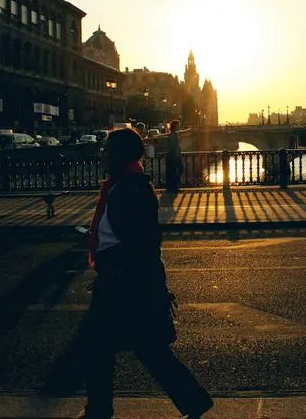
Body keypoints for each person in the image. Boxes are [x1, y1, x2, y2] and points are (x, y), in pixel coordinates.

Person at [81, 129, 213, 419]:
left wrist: (117, 268)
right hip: (126, 282)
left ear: (117, 155)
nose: (101, 155)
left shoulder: (128, 190)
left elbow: (140, 244)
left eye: (105, 150)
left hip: (123, 286)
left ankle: (99, 411)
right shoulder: (125, 185)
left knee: (101, 350)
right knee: (139, 350)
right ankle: (193, 402)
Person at [165, 119, 183, 193]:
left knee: (174, 171)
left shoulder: (173, 133)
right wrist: (177, 154)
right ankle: (175, 186)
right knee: (180, 170)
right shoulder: (173, 134)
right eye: (178, 125)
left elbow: (173, 144)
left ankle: (173, 187)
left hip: (173, 155)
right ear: (175, 126)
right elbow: (173, 145)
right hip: (174, 156)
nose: (179, 126)